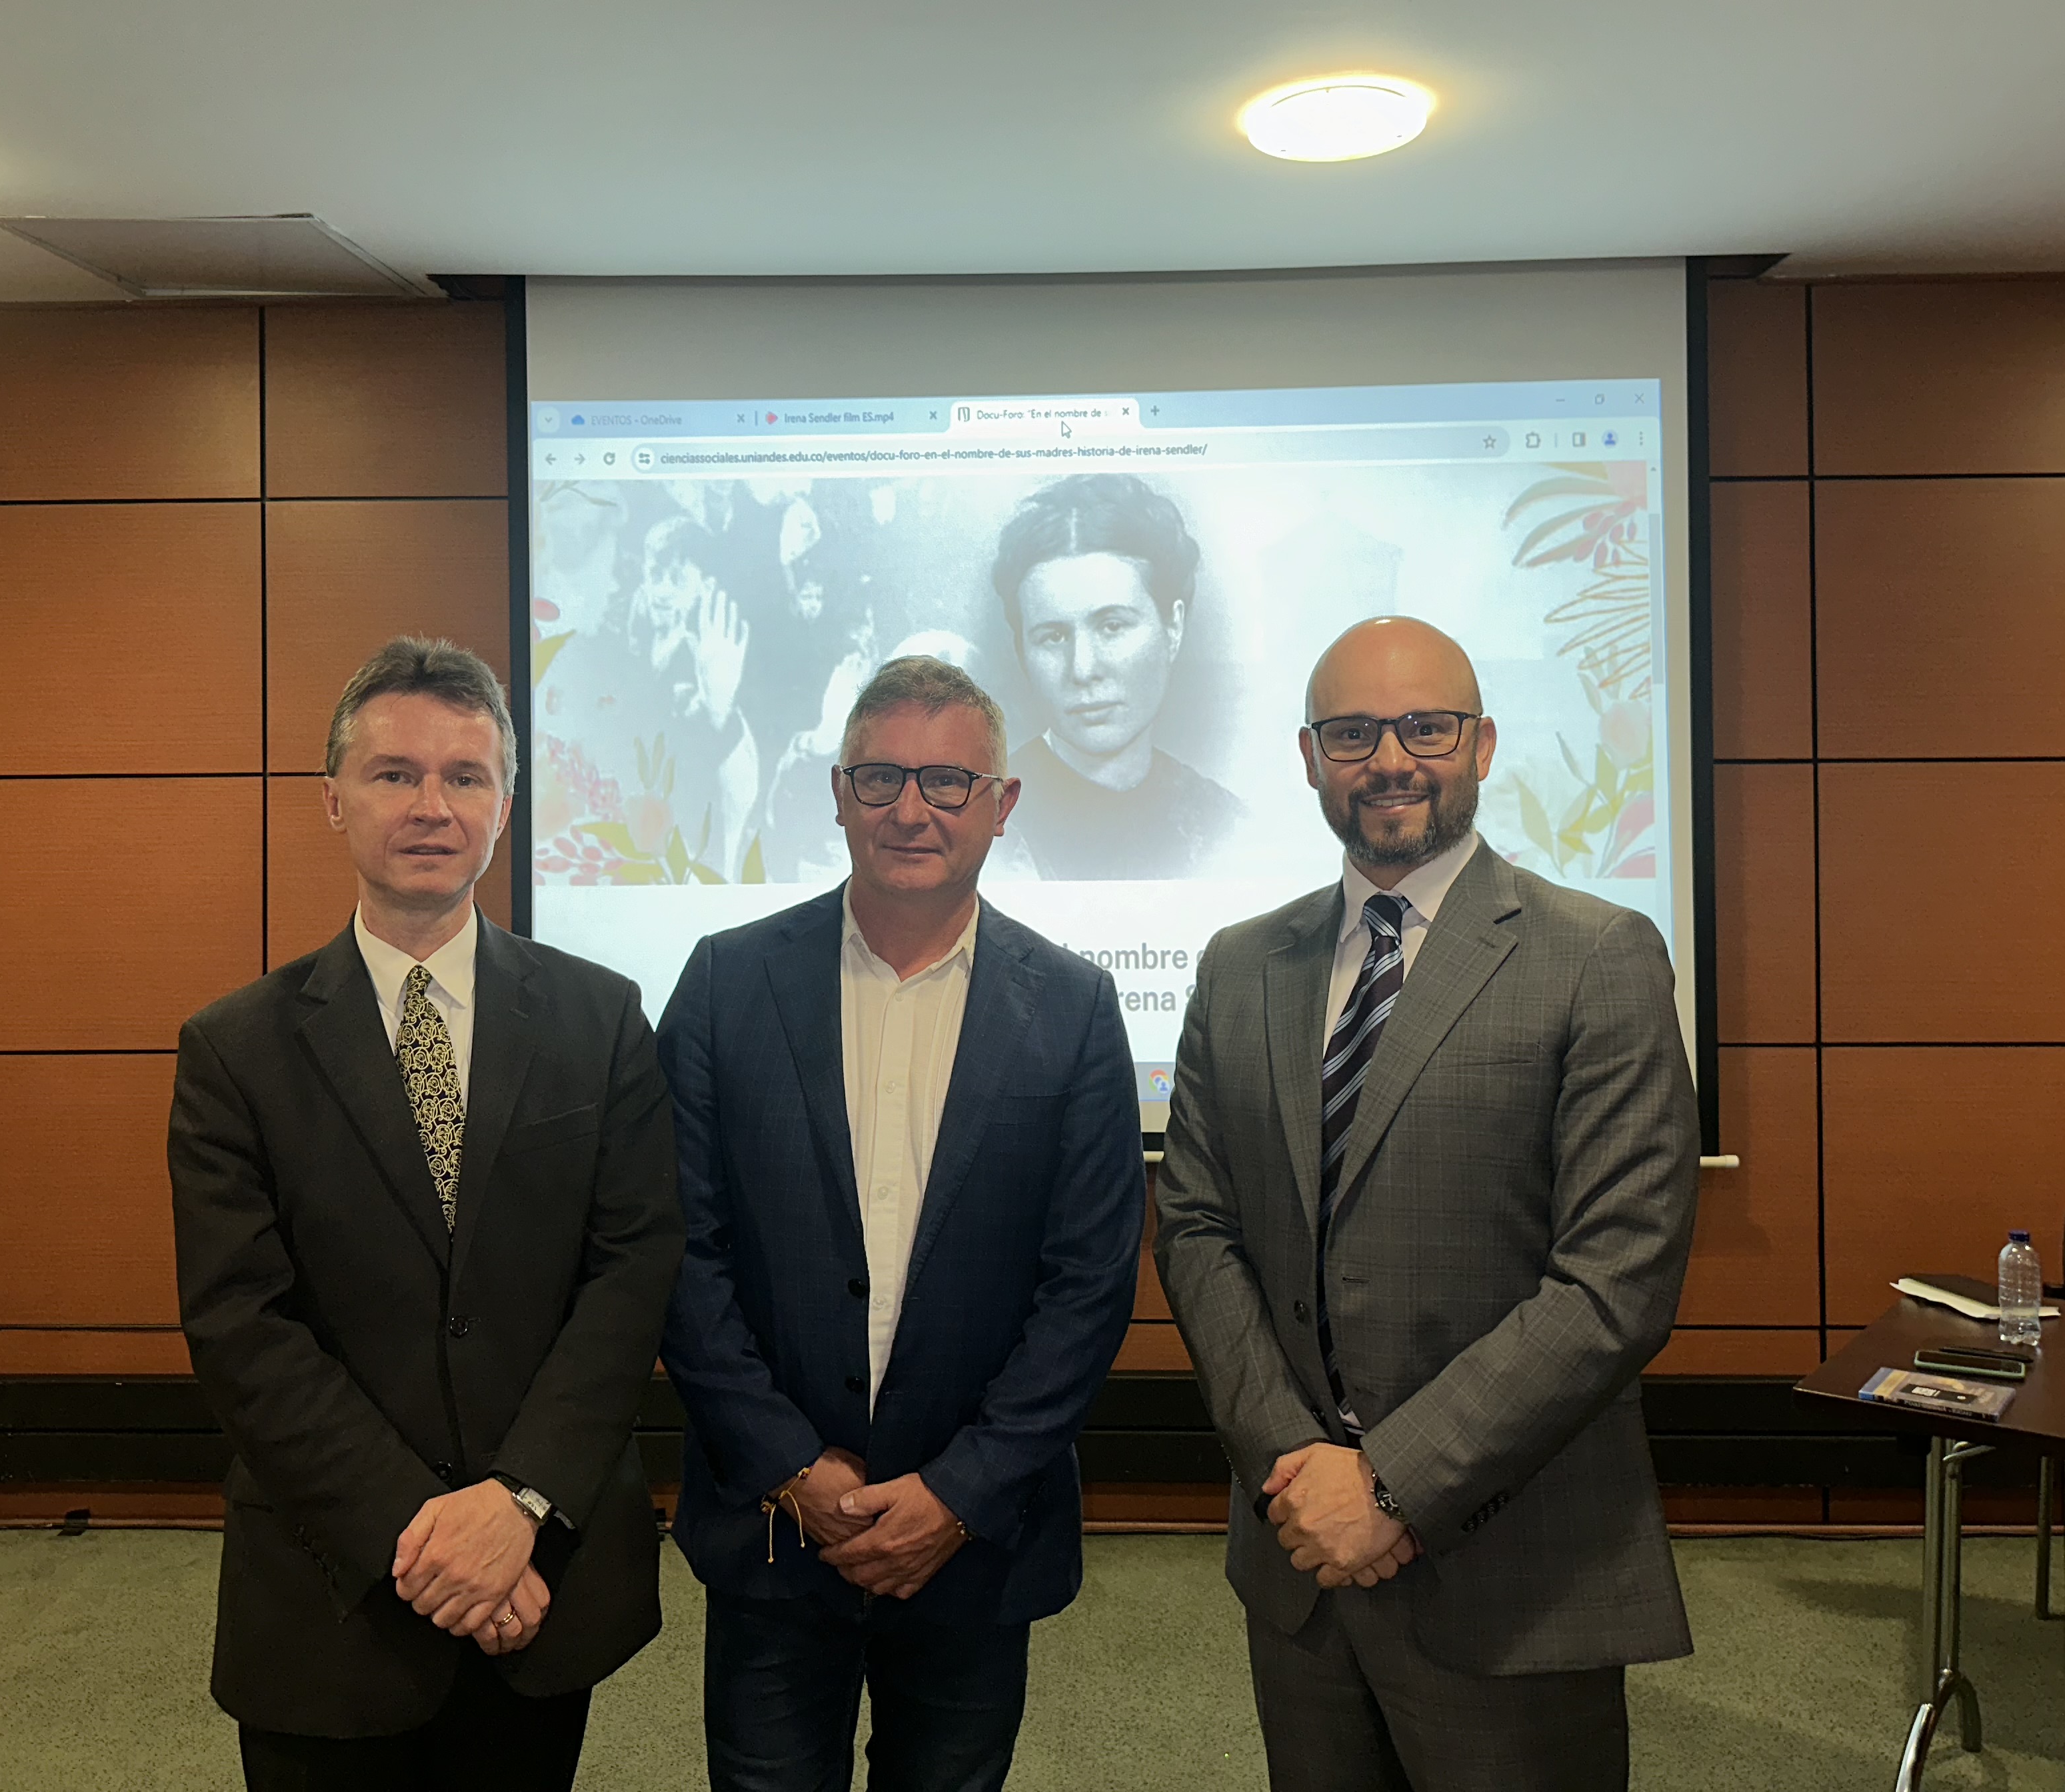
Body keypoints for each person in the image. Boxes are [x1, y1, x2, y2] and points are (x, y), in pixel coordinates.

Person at [1153, 617, 1698, 1792]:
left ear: (1482, 744)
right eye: (1353, 733)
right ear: (1310, 757)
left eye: (1426, 728)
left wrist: (1390, 1485)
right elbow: (1196, 1225)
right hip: (1299, 1557)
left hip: (1512, 1571)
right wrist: (1297, 1466)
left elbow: (1616, 1279)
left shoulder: (1596, 955)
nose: (1390, 759)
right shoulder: (1239, 965)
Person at [169, 636, 684, 1790]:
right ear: (334, 799)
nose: (430, 805)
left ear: (505, 805)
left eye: (465, 775)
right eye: (394, 773)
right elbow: (241, 1325)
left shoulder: (601, 1019)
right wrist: (434, 1538)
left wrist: (519, 1505)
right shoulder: (235, 1049)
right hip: (331, 1594)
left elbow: (632, 1271)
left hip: (540, 1581)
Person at [659, 653, 1147, 1791]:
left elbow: (1087, 1285)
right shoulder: (727, 983)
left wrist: (959, 1492)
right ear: (838, 794)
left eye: (947, 781)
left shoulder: (1073, 1007)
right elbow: (680, 1250)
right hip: (777, 1526)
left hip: (973, 1537)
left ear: (1001, 803)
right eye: (879, 778)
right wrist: (790, 1465)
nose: (910, 809)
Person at [989, 473, 1244, 879]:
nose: (1083, 669)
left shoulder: (1227, 827)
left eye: (1112, 626)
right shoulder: (982, 822)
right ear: (1022, 650)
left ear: (1173, 627)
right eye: (1053, 637)